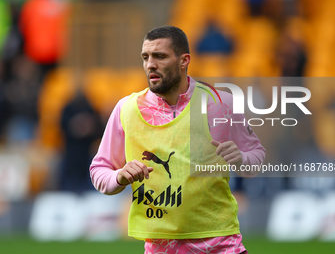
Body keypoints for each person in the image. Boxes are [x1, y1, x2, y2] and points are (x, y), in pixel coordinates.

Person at [90, 25, 265, 254]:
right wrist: (118, 176)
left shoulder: (220, 103)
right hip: (162, 248)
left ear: (184, 60)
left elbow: (257, 156)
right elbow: (99, 169)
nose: (150, 64)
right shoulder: (126, 109)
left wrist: (241, 159)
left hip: (221, 245)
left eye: (159, 56)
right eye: (146, 57)